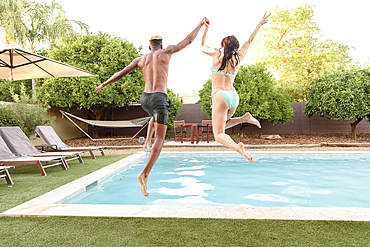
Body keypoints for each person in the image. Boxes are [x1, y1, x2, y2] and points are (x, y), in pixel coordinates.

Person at [95, 17, 210, 196]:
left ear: (149, 46)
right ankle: (144, 174)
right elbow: (188, 40)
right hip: (158, 97)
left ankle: (147, 140)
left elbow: (119, 74)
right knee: (161, 139)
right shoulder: (167, 52)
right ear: (161, 45)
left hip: (145, 99)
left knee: (154, 117)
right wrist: (201, 24)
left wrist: (103, 84)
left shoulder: (140, 59)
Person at [201, 12, 271, 162]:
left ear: (223, 44)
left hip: (220, 96)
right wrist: (259, 25)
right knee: (223, 124)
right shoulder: (238, 57)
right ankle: (245, 118)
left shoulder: (216, 53)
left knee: (218, 134)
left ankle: (237, 148)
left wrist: (205, 29)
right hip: (233, 96)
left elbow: (202, 46)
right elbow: (249, 40)